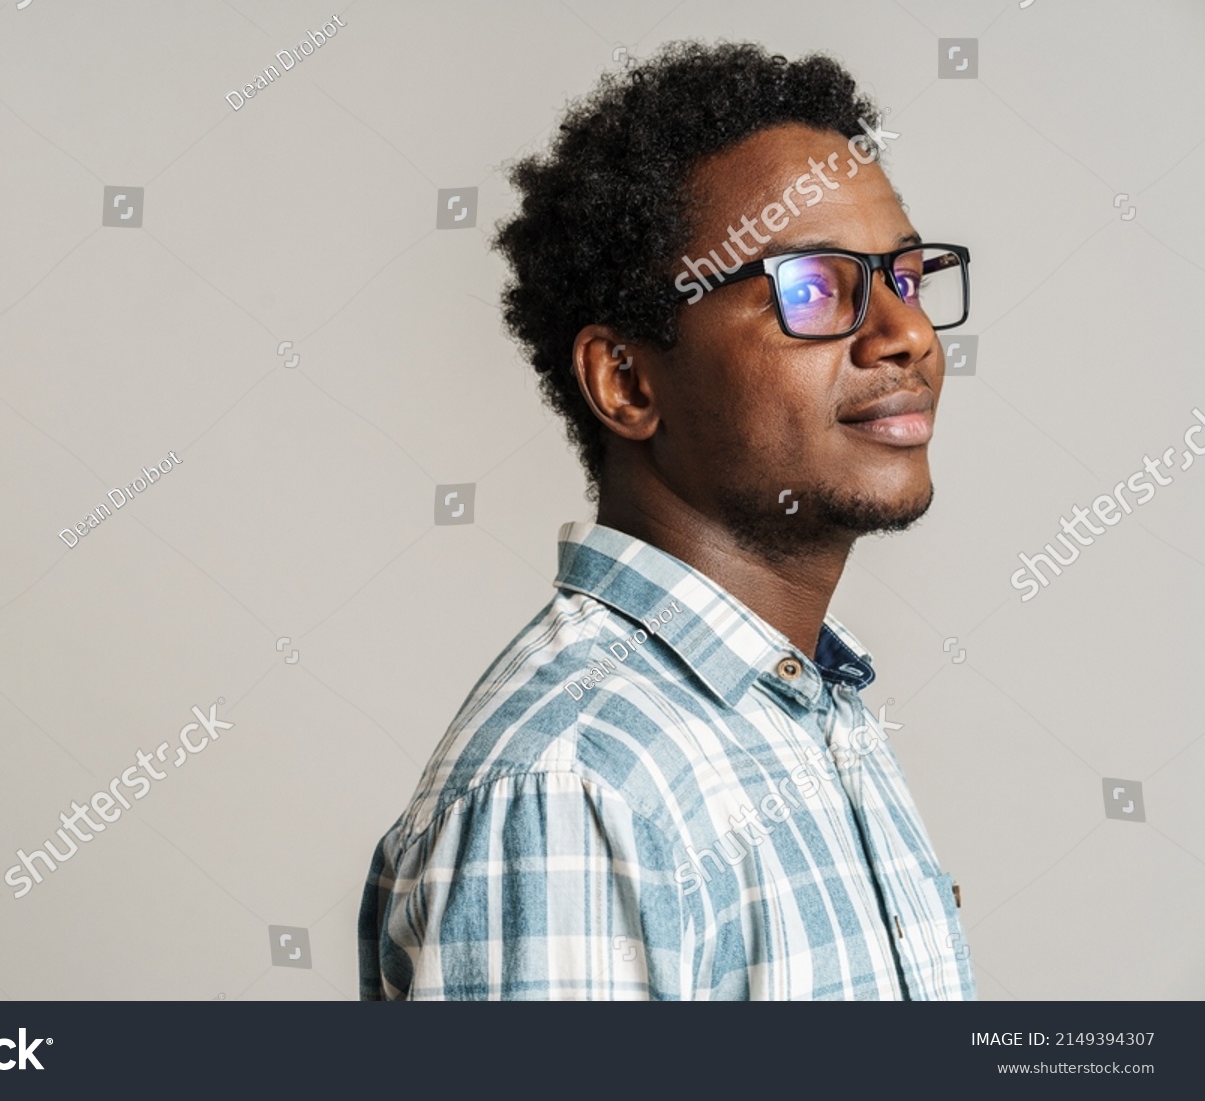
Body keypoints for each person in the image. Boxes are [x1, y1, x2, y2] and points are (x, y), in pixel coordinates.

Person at [359, 41, 975, 1000]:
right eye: (814, 287)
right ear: (628, 380)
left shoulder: (811, 712)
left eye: (906, 278)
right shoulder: (578, 786)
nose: (908, 335)